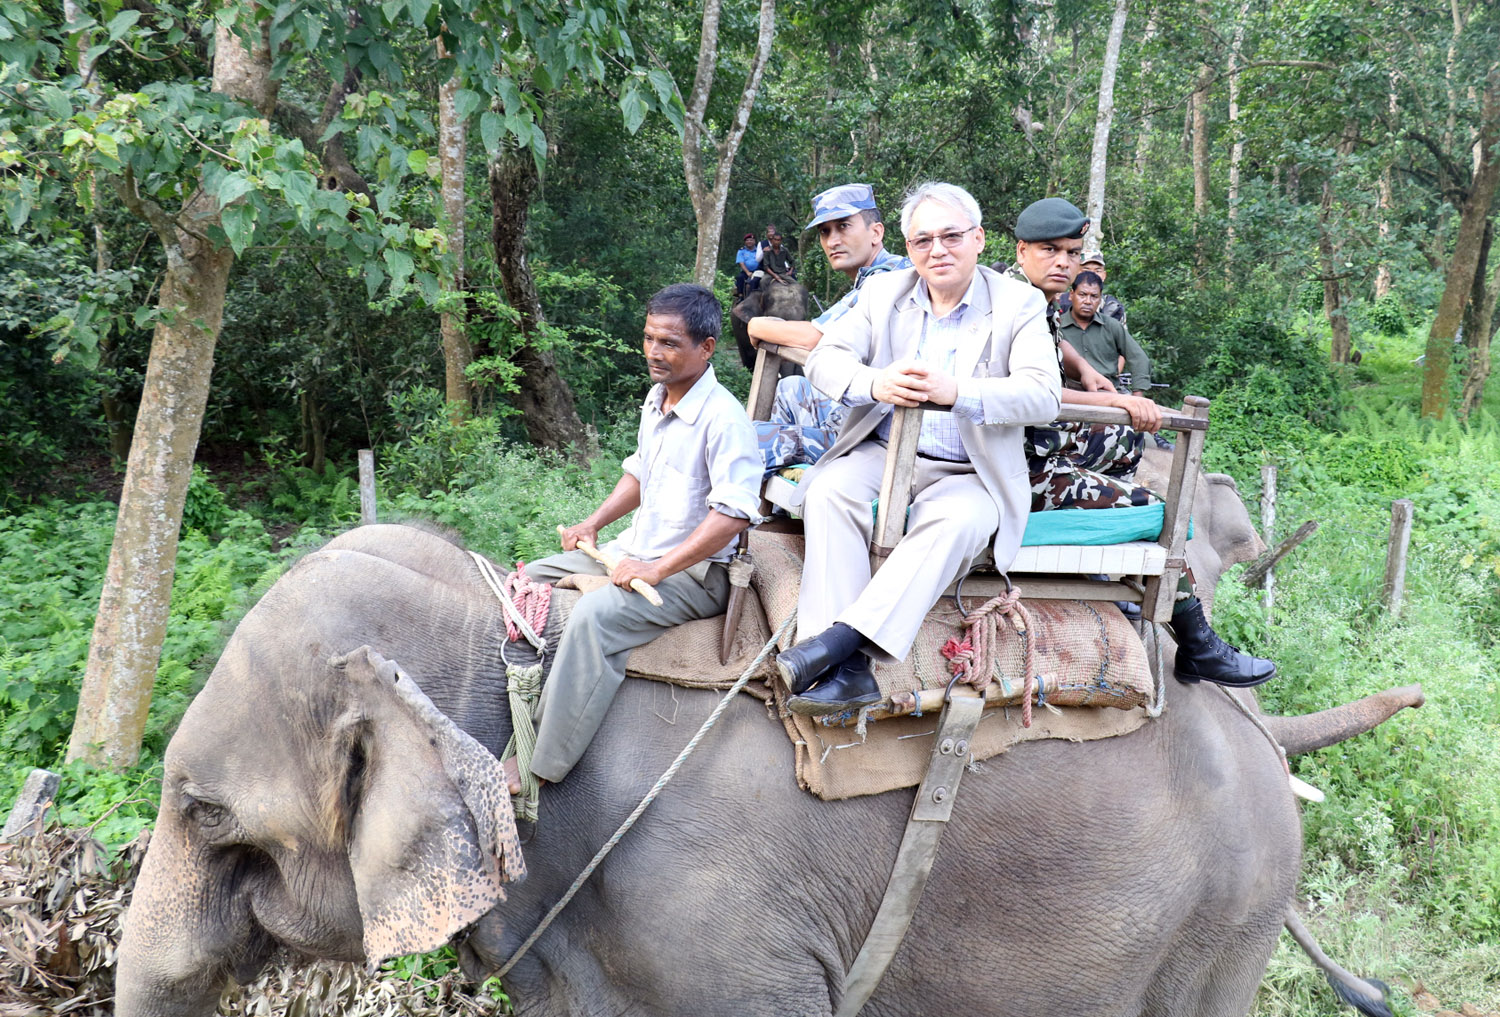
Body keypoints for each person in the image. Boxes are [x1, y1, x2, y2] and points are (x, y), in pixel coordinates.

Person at [774, 181, 1061, 715]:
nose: (938, 250)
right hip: (881, 454)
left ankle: (834, 646)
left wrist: (961, 393)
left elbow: (1043, 395)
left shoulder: (1017, 303)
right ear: (908, 249)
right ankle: (850, 671)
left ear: (978, 239)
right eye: (923, 240)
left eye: (951, 236)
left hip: (969, 472)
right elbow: (825, 359)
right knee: (829, 491)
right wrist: (874, 383)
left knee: (957, 523)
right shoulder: (885, 293)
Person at [506, 284, 765, 789]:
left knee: (595, 620)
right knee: (533, 576)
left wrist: (657, 569)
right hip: (634, 551)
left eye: (669, 342)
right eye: (649, 338)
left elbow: (733, 515)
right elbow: (640, 473)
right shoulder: (657, 398)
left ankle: (540, 762)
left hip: (695, 572)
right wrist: (594, 525)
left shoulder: (724, 419)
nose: (653, 352)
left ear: (706, 348)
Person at [1008, 197, 1274, 688]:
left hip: (1033, 447)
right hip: (1023, 469)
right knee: (1158, 511)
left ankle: (1122, 585)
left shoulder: (1026, 296)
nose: (1063, 262)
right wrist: (1119, 404)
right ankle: (1195, 641)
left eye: (1072, 251)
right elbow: (1033, 391)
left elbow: (1052, 342)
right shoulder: (1012, 303)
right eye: (1050, 250)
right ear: (1022, 250)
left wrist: (1086, 369)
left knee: (1127, 445)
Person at [747, 183, 913, 473]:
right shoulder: (884, 271)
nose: (833, 240)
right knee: (791, 388)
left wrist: (757, 324)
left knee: (743, 441)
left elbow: (817, 338)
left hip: (882, 429)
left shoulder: (885, 278)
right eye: (825, 231)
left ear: (876, 232)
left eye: (844, 226)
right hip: (868, 406)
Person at [1057, 270, 1153, 395]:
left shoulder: (1112, 326)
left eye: (1094, 296)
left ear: (1100, 298)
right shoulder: (1057, 326)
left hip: (1108, 391)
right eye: (1082, 295)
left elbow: (1139, 358)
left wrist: (1138, 395)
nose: (1087, 301)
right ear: (1071, 295)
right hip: (1068, 391)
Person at [1056, 250, 1127, 325]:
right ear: (1075, 272)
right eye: (1086, 270)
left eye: (1097, 271)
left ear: (1104, 275)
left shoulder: (1113, 308)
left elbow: (1120, 335)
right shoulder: (1060, 303)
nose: (1092, 274)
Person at [734, 233, 759, 301]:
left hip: (757, 271)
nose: (749, 242)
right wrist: (747, 272)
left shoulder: (759, 251)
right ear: (745, 242)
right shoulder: (741, 251)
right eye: (747, 240)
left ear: (754, 241)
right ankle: (740, 295)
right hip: (746, 271)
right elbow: (741, 263)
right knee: (740, 277)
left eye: (751, 240)